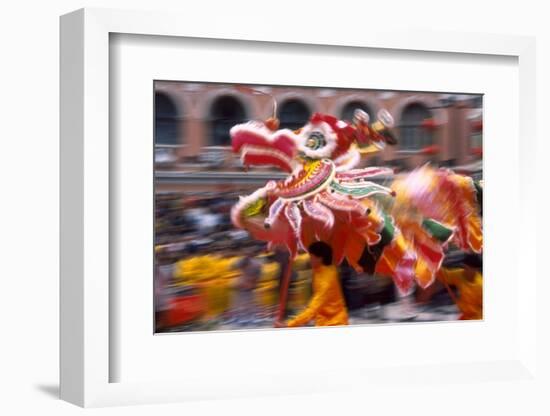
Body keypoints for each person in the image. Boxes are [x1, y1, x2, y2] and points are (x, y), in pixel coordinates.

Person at [275, 242, 349, 328]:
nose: (309, 259)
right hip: (323, 322)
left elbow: (313, 308)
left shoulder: (326, 281)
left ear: (320, 259)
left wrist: (288, 325)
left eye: (311, 257)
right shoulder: (320, 269)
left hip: (335, 323)